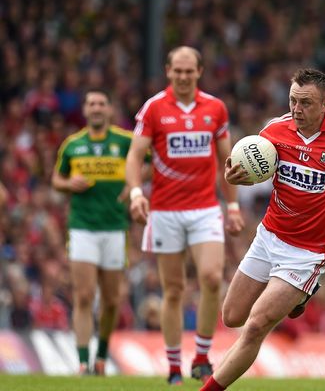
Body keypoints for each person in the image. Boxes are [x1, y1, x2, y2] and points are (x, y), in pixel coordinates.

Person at [198, 68, 325, 391]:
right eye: (293, 100)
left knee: (255, 326)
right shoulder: (274, 131)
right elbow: (253, 170)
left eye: (305, 103)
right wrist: (236, 177)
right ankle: (299, 297)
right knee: (232, 316)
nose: (297, 109)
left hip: (308, 254)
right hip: (268, 237)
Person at [125, 46, 245, 385]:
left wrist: (233, 206)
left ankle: (202, 357)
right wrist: (136, 193)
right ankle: (174, 365)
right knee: (174, 289)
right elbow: (135, 156)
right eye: (177, 70)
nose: (182, 76)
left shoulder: (215, 108)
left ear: (199, 72)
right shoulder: (154, 108)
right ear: (168, 71)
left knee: (211, 278)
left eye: (189, 71)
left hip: (205, 208)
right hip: (165, 211)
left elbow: (227, 162)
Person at [51, 89, 133, 375]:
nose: (96, 108)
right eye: (92, 104)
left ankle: (102, 355)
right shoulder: (73, 145)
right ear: (85, 110)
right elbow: (56, 179)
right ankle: (83, 362)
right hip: (82, 227)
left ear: (109, 109)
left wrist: (132, 184)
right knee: (84, 295)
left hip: (114, 227)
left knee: (111, 301)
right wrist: (68, 184)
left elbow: (147, 163)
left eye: (101, 103)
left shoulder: (124, 141)